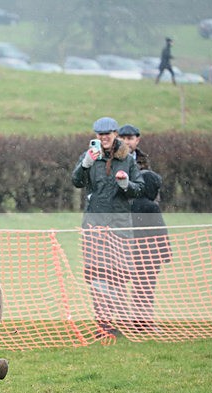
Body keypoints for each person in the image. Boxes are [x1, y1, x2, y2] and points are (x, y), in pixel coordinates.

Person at [72, 116, 145, 338]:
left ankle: (118, 321)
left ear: (115, 134)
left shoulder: (128, 160)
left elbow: (140, 189)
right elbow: (76, 182)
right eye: (99, 134)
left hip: (120, 227)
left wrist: (126, 184)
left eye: (108, 134)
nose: (103, 138)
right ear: (96, 136)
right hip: (94, 226)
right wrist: (85, 164)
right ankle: (103, 324)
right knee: (97, 277)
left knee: (119, 277)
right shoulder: (90, 156)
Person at [130, 170, 171, 333]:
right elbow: (161, 232)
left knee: (137, 289)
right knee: (146, 290)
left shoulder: (130, 204)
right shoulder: (152, 207)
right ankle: (144, 323)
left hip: (133, 253)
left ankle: (135, 321)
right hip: (150, 256)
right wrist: (166, 254)